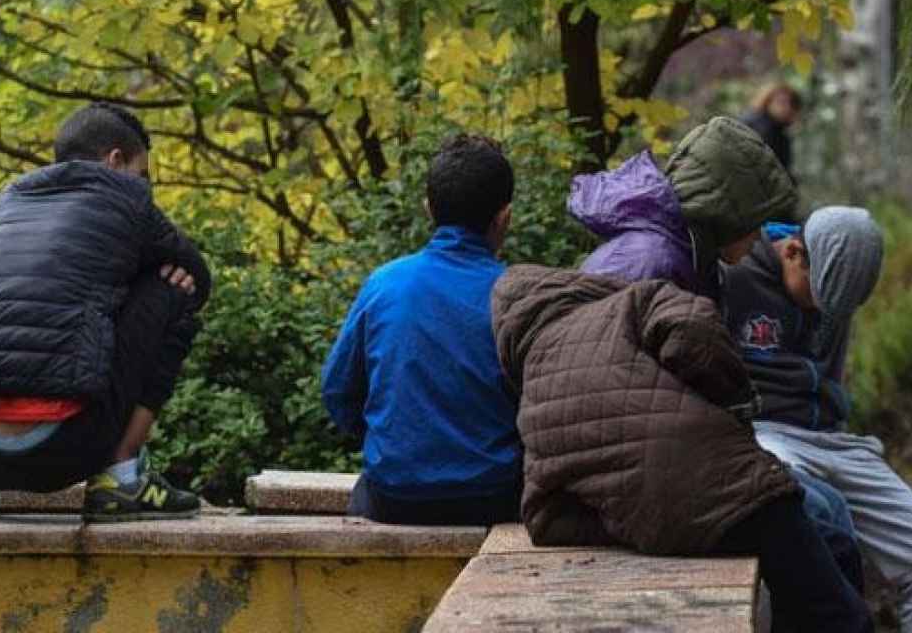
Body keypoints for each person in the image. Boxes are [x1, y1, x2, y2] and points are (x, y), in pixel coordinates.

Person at [492, 264, 873, 633]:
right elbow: (693, 325)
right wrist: (733, 403)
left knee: (805, 588)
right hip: (736, 486)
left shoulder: (533, 398)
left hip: (665, 528)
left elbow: (545, 519)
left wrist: (629, 520)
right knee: (837, 594)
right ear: (567, 285)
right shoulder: (628, 302)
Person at [0, 102, 210, 521]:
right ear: (115, 160)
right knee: (172, 287)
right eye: (142, 173)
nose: (146, 187)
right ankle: (122, 481)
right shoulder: (126, 196)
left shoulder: (7, 202)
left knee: (2, 299)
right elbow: (198, 277)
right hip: (60, 444)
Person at [724, 208, 912, 633]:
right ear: (795, 252)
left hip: (834, 440)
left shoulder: (838, 292)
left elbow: (831, 374)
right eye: (816, 295)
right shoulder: (734, 275)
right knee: (782, 548)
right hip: (762, 433)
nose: (823, 312)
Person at [321, 134, 522, 526]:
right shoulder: (518, 294)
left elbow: (337, 391)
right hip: (493, 496)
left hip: (394, 497)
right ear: (505, 217)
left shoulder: (384, 284)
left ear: (428, 209)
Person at [568, 115, 797, 298]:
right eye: (754, 222)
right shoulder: (649, 263)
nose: (758, 236)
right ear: (724, 213)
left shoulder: (691, 256)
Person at [739, 82, 803, 175]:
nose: (786, 108)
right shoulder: (759, 124)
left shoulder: (780, 130)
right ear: (768, 101)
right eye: (781, 102)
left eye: (791, 104)